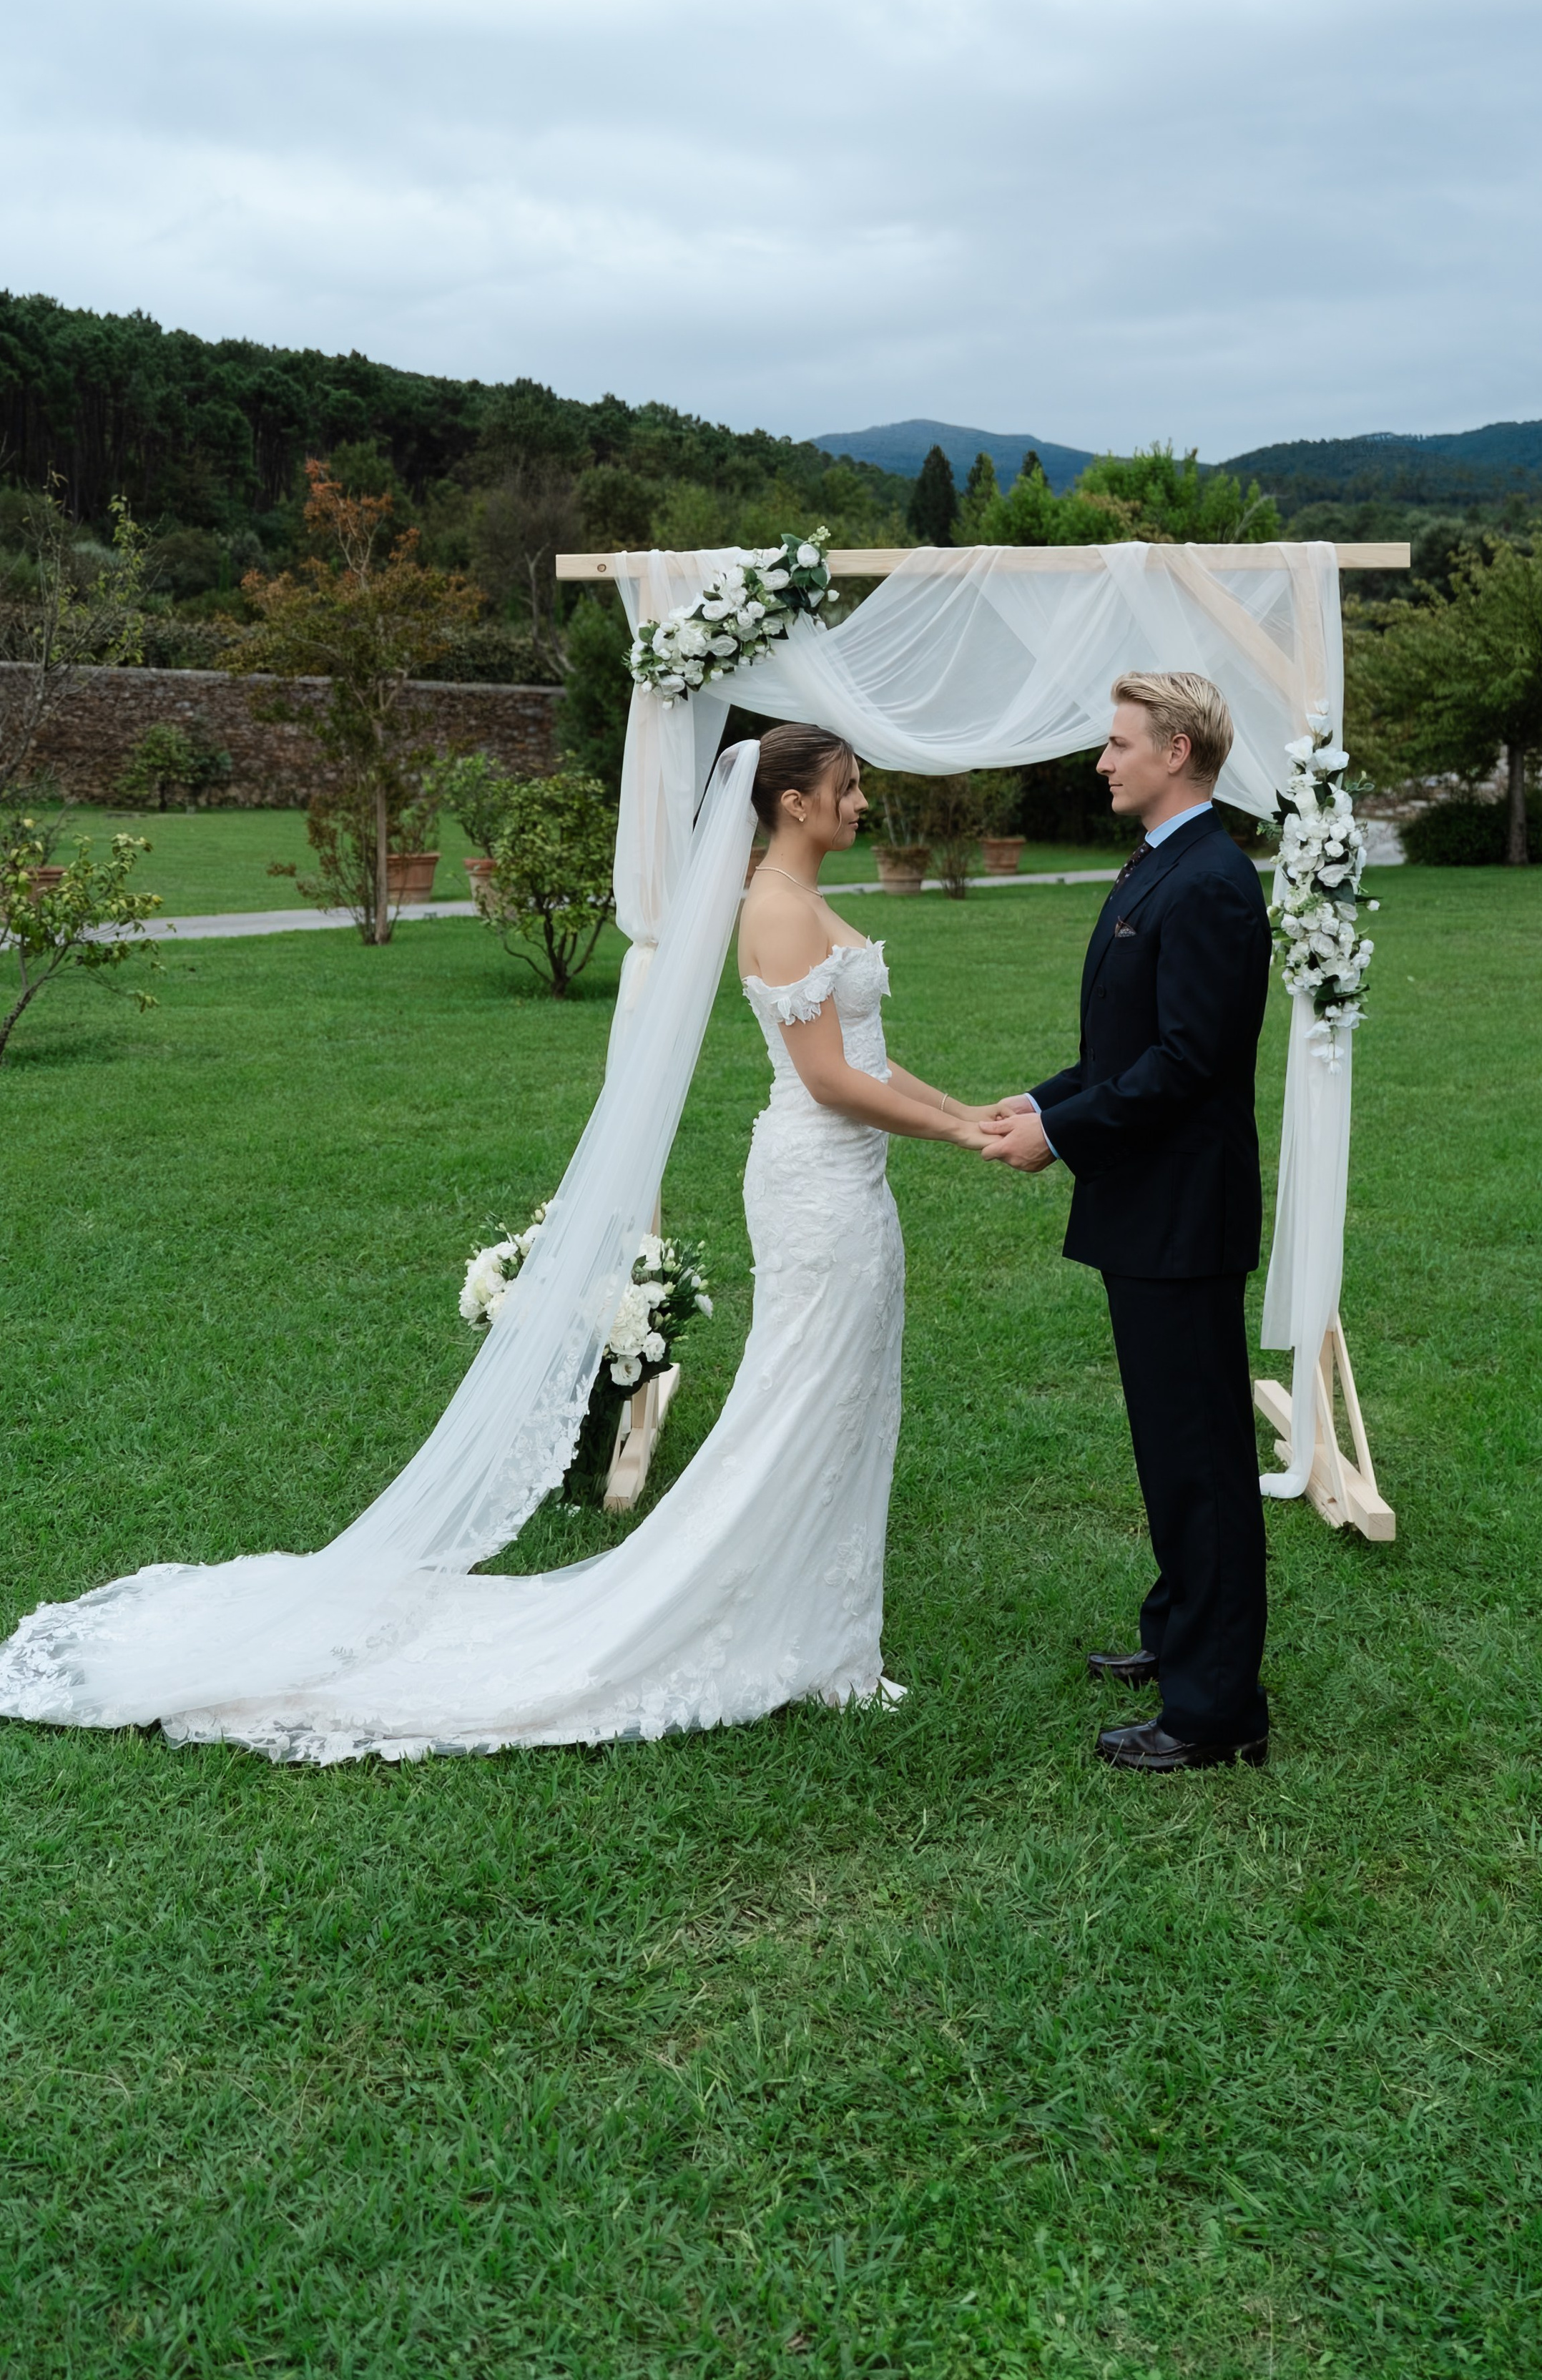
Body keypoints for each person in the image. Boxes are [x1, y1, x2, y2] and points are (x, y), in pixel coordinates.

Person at [0, 724, 991, 1762]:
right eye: (848, 786)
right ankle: (789, 1626)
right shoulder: (778, 909)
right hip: (817, 1182)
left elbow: (871, 1059)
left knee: (845, 1391)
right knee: (806, 1391)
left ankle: (824, 1628)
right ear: (793, 803)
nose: (863, 802)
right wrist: (965, 1132)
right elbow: (830, 1082)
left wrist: (971, 1109)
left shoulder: (809, 899)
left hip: (850, 1178)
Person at [983, 671, 1272, 1773]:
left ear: (1180, 751)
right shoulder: (1167, 863)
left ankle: (1216, 1711)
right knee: (1170, 1448)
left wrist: (1060, 1137)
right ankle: (1179, 1636)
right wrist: (1047, 1100)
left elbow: (1188, 1064)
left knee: (1200, 1457)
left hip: (1182, 1217)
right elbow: (1127, 1047)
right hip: (1147, 1208)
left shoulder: (1209, 883)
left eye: (1118, 744)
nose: (1102, 762)